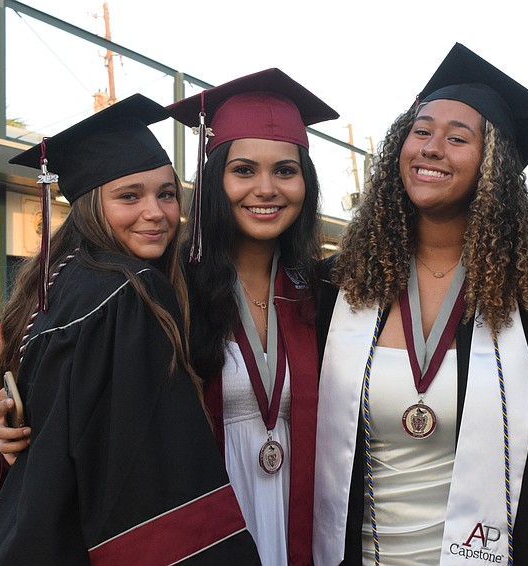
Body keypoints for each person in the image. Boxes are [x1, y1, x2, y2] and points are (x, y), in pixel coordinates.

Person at [0, 94, 259, 564]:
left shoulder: (54, 283)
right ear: (88, 205)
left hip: (34, 532)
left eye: (167, 194)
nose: (156, 212)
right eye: (129, 196)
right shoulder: (130, 293)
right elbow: (146, 467)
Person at [314, 43, 528, 565]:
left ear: (492, 164)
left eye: (457, 139)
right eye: (421, 131)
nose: (431, 148)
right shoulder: (342, 288)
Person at [167, 69, 338, 566]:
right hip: (209, 518)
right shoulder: (172, 289)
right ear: (215, 177)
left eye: (285, 170)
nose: (266, 188)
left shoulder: (323, 294)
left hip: (304, 516)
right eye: (244, 170)